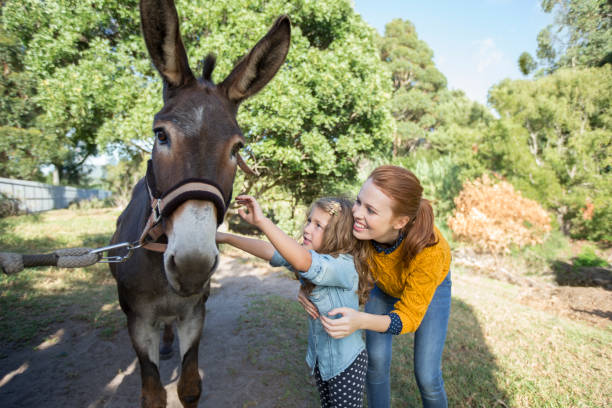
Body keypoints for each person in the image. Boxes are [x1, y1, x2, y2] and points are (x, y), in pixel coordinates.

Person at [297, 165, 452, 408]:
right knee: (376, 361)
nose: (357, 213)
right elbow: (319, 256)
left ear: (400, 221)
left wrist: (361, 320)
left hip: (430, 289)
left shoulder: (430, 252)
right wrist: (305, 288)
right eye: (359, 202)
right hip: (382, 284)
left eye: (370, 210)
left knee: (427, 375)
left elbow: (408, 317)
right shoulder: (357, 226)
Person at [216, 194, 374, 408]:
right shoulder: (314, 257)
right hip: (323, 362)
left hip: (346, 365)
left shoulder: (343, 266)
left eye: (319, 225)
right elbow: (272, 252)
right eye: (309, 220)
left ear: (338, 235)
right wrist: (226, 238)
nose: (307, 228)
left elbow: (303, 261)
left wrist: (263, 221)